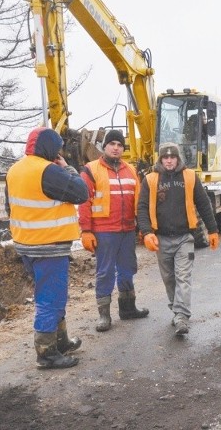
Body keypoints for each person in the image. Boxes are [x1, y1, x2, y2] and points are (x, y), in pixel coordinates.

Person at [5, 127, 88, 369]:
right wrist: (67, 168)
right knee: (50, 299)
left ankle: (60, 342)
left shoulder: (15, 169)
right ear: (50, 148)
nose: (59, 152)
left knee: (53, 296)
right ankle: (47, 352)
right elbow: (81, 192)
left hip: (26, 245)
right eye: (58, 148)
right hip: (48, 246)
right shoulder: (47, 170)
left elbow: (12, 208)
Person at [136, 142, 219, 335]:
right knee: (169, 279)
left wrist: (213, 230)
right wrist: (147, 232)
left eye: (172, 157)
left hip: (184, 238)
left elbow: (203, 204)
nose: (169, 160)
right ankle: (176, 310)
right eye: (165, 157)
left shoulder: (190, 177)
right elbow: (141, 208)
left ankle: (182, 317)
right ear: (160, 159)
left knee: (183, 277)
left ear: (178, 158)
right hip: (161, 239)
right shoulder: (150, 180)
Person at [79, 129, 149, 332]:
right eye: (112, 144)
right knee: (105, 272)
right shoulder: (91, 170)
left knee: (128, 269)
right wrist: (86, 231)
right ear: (105, 146)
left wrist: (143, 227)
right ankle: (104, 315)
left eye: (120, 145)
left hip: (127, 230)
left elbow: (139, 202)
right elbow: (84, 202)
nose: (116, 148)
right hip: (104, 232)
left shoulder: (131, 170)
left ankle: (128, 308)